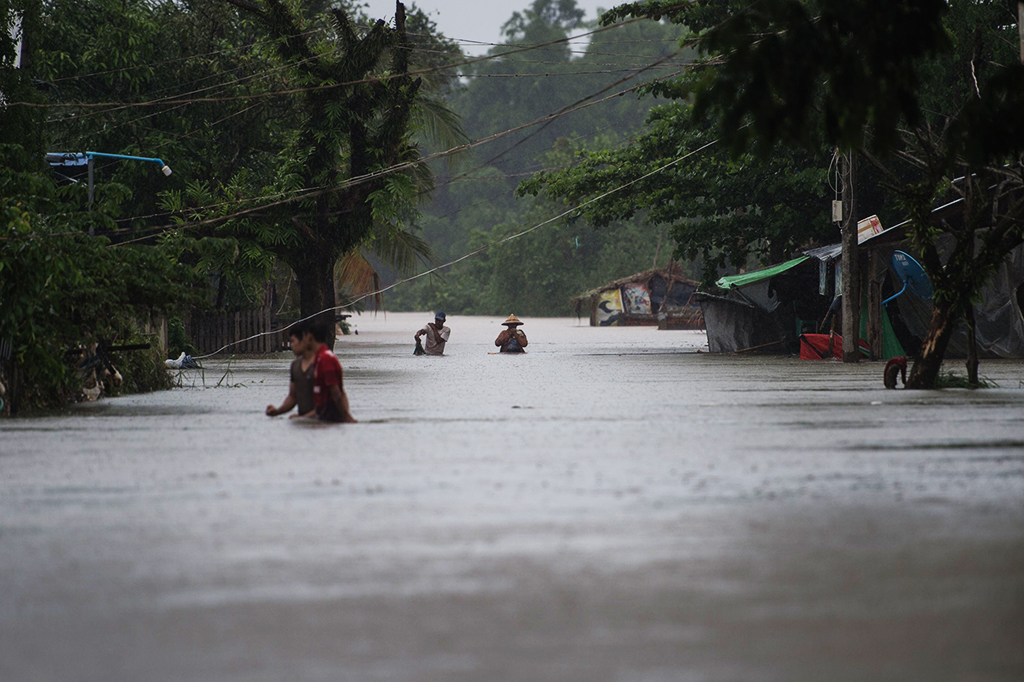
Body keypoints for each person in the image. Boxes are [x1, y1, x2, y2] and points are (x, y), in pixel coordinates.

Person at [265, 321, 316, 419]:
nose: (291, 346)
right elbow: (293, 397)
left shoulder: (321, 364)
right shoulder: (295, 365)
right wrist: (277, 411)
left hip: (321, 425)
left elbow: (329, 404)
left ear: (304, 339)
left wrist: (304, 418)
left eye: (293, 341)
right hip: (304, 423)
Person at [309, 321, 357, 423]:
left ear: (309, 337)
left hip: (330, 419)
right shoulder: (318, 358)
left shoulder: (325, 359)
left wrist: (346, 416)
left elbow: (336, 392)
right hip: (324, 416)